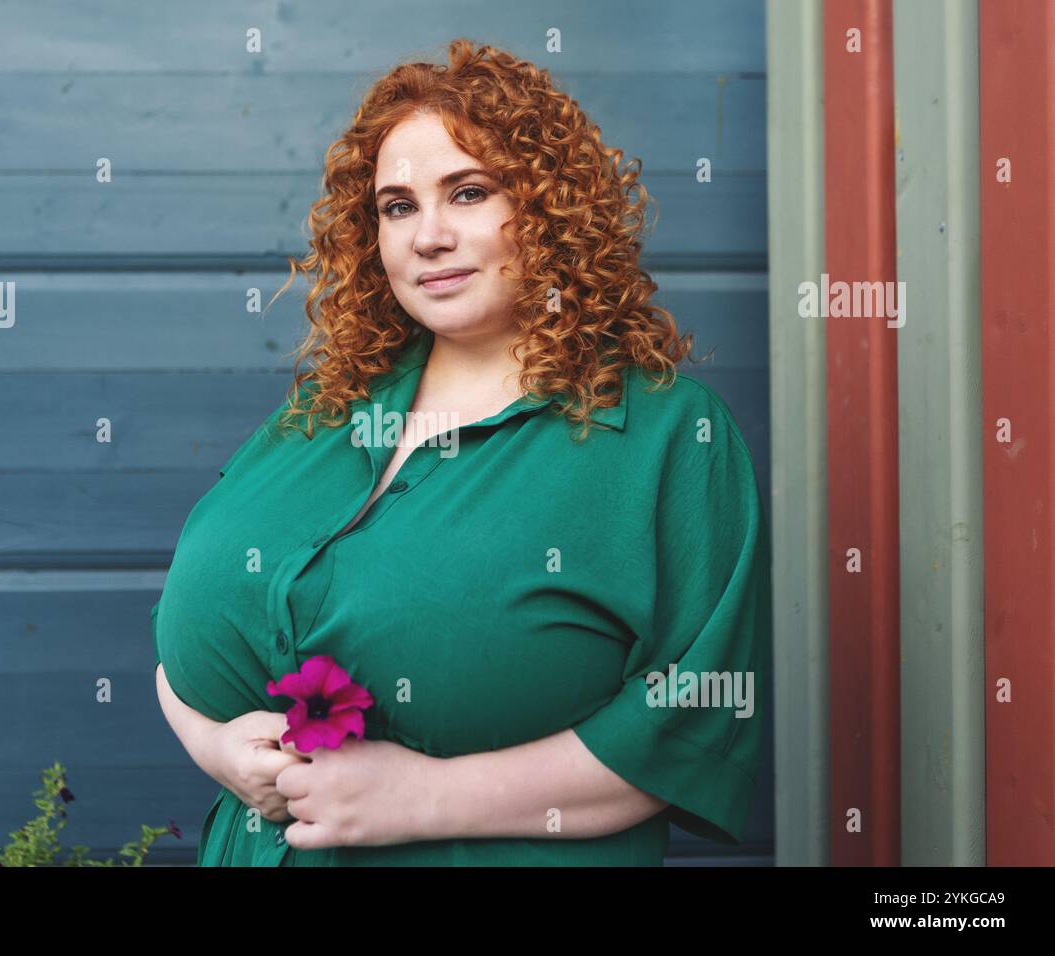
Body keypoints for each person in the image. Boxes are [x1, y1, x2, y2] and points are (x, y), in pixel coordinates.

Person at [152, 38, 771, 866]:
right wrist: (217, 750)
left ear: (551, 209)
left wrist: (423, 798)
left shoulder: (666, 437)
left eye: (469, 192)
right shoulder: (328, 410)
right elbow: (190, 626)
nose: (428, 236)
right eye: (397, 206)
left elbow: (687, 725)